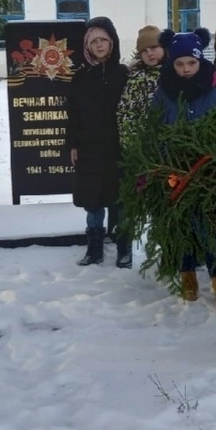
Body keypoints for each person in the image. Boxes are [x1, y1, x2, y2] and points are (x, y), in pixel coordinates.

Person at [152, 27, 216, 309]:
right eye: (179, 64)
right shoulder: (163, 92)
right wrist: (164, 161)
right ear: (172, 64)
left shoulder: (213, 91)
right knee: (183, 220)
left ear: (200, 60)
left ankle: (214, 274)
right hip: (174, 169)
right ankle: (191, 272)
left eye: (191, 63)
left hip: (205, 169)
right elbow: (155, 128)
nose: (186, 69)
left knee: (202, 221)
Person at [68, 17, 129, 267]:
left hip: (119, 147)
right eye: (94, 41)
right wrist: (73, 143)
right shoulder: (81, 77)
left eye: (103, 39)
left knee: (122, 200)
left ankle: (125, 248)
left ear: (112, 42)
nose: (99, 45)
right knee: (92, 201)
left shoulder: (124, 74)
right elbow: (73, 113)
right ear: (87, 46)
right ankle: (94, 248)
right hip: (90, 147)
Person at [114, 25, 164, 268]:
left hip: (168, 155)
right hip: (139, 154)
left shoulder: (175, 74)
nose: (150, 54)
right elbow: (125, 114)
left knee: (165, 206)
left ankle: (172, 249)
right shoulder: (136, 79)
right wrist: (135, 146)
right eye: (144, 50)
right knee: (129, 204)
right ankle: (124, 248)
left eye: (154, 48)